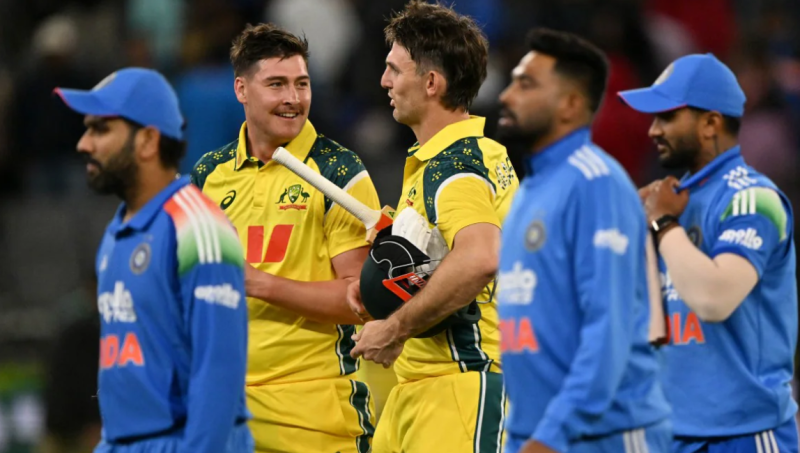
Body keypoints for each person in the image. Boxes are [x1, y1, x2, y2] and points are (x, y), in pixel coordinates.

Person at [190, 23, 378, 453]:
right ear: (241, 89)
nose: (293, 98)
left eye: (302, 84)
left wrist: (257, 282)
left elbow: (361, 300)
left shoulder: (338, 172)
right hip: (224, 413)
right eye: (277, 84)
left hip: (313, 420)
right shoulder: (208, 174)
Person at [347, 2, 518, 451]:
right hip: (425, 388)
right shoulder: (462, 158)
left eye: (394, 69)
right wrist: (379, 288)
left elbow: (480, 258)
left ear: (431, 83)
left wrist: (394, 328)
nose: (384, 81)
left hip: (460, 387)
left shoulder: (453, 168)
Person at [55, 68, 253, 452]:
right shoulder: (116, 234)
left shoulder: (198, 228)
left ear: (147, 140)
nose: (83, 144)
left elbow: (219, 372)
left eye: (100, 129)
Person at [496, 29, 672, 453]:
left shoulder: (597, 183)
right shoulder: (530, 189)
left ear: (570, 105)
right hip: (537, 433)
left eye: (526, 84)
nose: (506, 95)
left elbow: (608, 330)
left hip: (603, 435)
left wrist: (551, 435)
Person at [619, 53, 799, 452]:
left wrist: (663, 225)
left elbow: (713, 299)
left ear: (710, 123)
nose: (652, 129)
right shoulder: (668, 200)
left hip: (745, 434)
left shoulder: (754, 198)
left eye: (667, 116)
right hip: (672, 433)